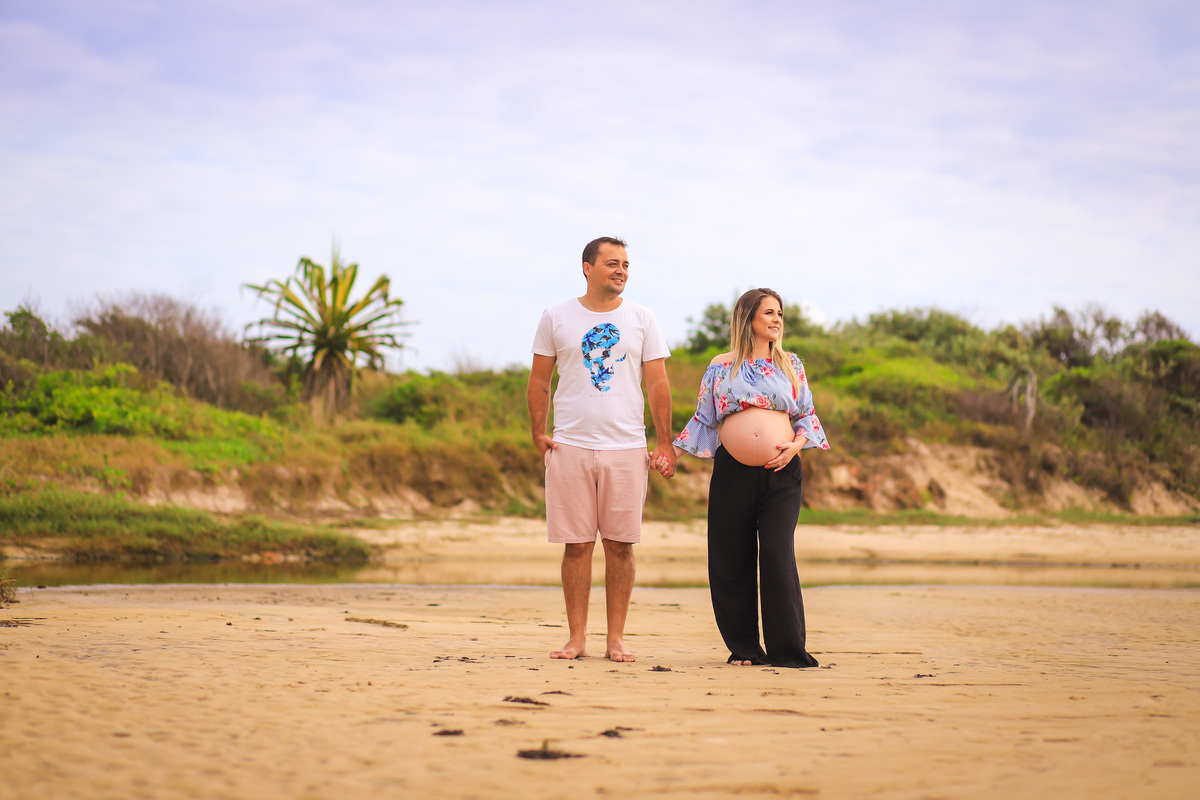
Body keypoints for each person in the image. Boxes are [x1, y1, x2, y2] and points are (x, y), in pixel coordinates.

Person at [661, 288, 830, 668]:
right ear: (748, 317)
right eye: (769, 312)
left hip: (781, 472)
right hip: (733, 473)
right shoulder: (721, 366)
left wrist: (795, 446)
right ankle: (745, 649)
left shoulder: (791, 364)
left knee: (775, 552)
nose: (776, 320)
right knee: (730, 558)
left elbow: (807, 415)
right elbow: (705, 418)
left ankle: (788, 651)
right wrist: (671, 452)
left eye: (780, 314)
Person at [527, 236, 677, 663]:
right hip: (570, 445)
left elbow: (658, 384)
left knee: (621, 546)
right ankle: (576, 638)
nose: (622, 271)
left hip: (627, 447)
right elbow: (540, 381)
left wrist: (664, 440)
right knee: (576, 546)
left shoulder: (642, 318)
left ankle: (616, 639)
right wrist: (539, 432)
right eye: (612, 263)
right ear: (587, 267)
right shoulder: (555, 316)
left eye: (626, 265)